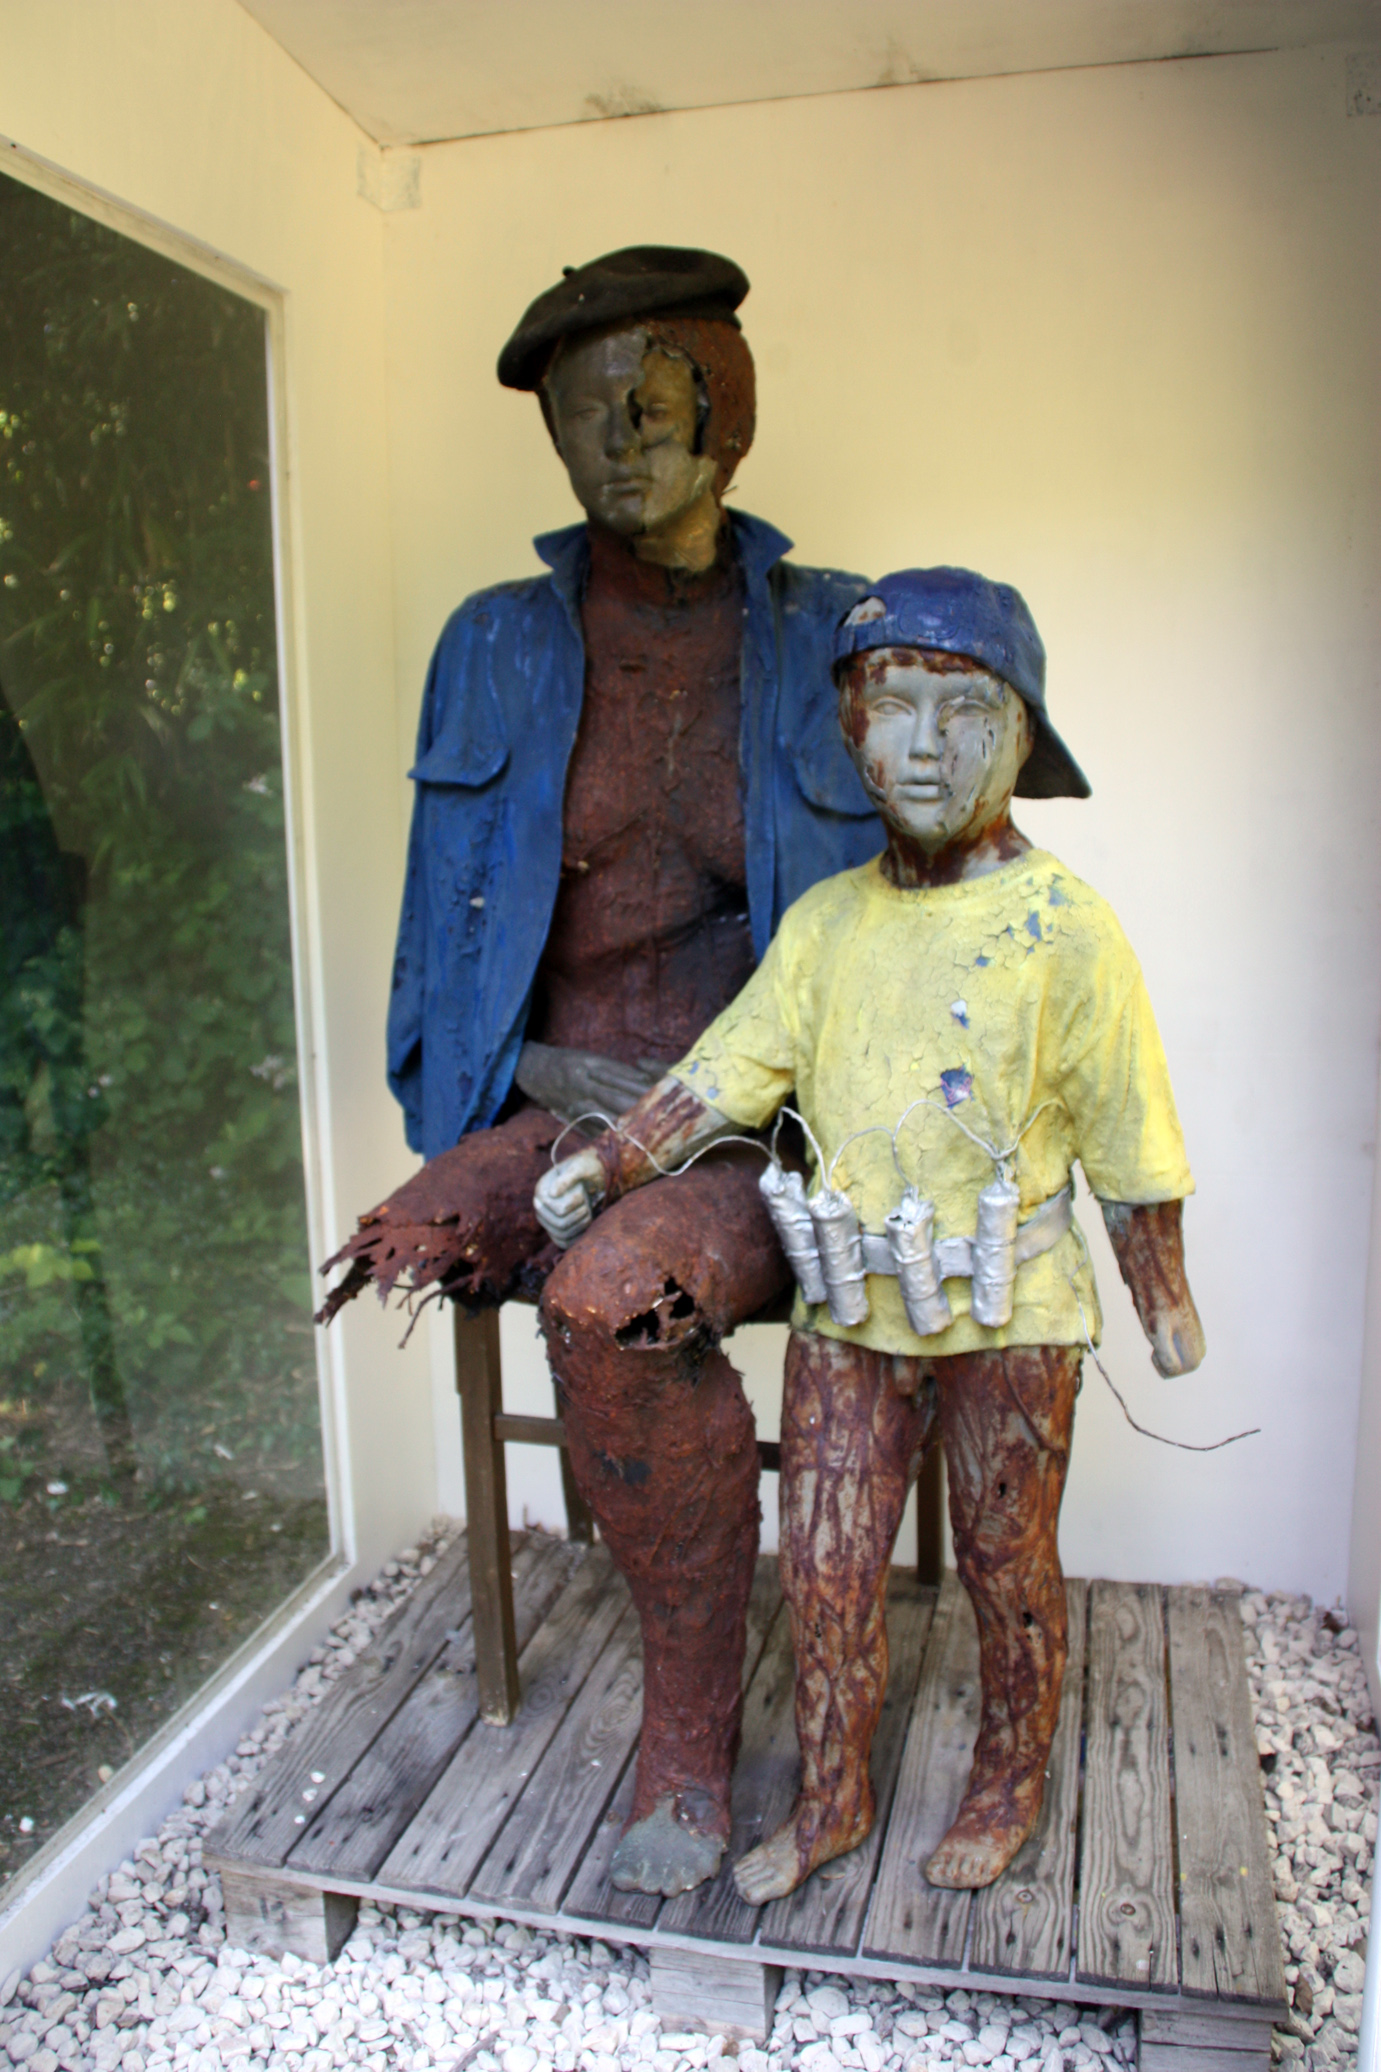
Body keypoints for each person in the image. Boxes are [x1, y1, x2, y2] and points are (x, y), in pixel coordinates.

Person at [317, 247, 881, 1897]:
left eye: (650, 400)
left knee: (605, 1303)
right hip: (549, 1100)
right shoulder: (493, 641)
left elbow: (926, 895)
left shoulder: (835, 636)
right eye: (582, 413)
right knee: (401, 1242)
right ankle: (660, 1542)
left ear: (726, 409)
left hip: (755, 1128)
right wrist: (449, 1130)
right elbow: (435, 914)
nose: (617, 438)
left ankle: (685, 1740)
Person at [535, 566, 1207, 1902]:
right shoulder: (827, 926)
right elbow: (727, 1071)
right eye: (893, 706)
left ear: (1020, 735)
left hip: (1010, 1313)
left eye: (966, 712)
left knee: (1007, 1564)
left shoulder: (1065, 931)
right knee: (829, 1566)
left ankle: (1007, 1779)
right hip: (849, 1308)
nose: (926, 746)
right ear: (850, 729)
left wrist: (1163, 1297)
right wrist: (611, 1162)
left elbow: (1132, 1136)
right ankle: (832, 1796)